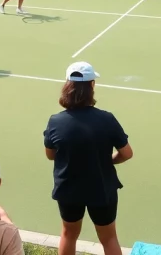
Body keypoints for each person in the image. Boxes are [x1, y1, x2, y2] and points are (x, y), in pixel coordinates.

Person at [43, 62, 132, 255]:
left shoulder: (55, 121)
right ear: (92, 85)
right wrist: (109, 161)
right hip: (101, 188)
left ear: (67, 84)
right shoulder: (107, 119)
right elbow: (127, 153)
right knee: (109, 238)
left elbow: (50, 155)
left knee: (68, 234)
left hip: (68, 190)